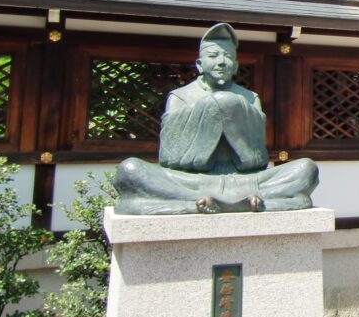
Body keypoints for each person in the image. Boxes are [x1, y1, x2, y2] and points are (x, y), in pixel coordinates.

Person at [114, 23, 318, 214]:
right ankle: (212, 202)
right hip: (191, 181)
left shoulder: (250, 98)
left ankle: (197, 203)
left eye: (228, 56)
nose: (221, 61)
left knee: (306, 169)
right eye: (213, 55)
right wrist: (211, 109)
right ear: (200, 64)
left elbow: (255, 160)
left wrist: (232, 108)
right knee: (130, 170)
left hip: (246, 181)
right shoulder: (180, 97)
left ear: (235, 66)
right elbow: (171, 159)